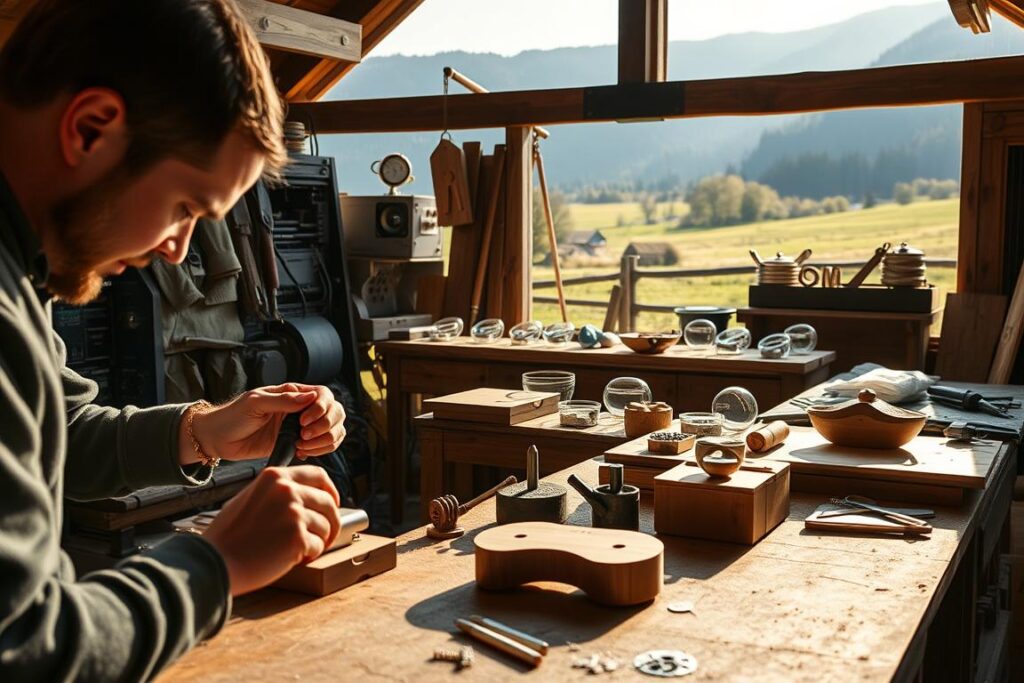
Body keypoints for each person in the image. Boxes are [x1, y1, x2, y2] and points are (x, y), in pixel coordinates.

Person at [0, 1, 350, 680]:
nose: (175, 250)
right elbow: (25, 650)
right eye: (186, 207)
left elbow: (54, 434)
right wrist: (212, 564)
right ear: (92, 128)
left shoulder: (20, 270)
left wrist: (204, 431)